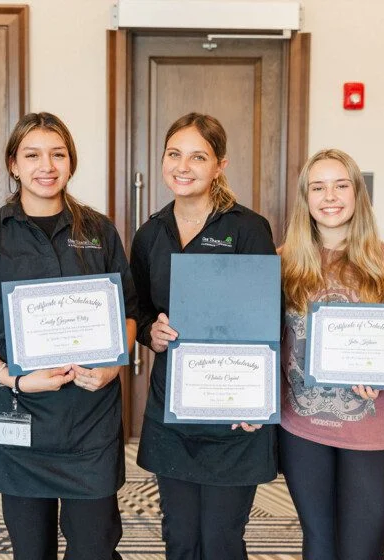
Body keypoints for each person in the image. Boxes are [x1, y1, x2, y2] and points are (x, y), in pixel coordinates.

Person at [0, 111, 137, 560]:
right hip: (21, 411)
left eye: (58, 154)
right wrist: (11, 379)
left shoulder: (99, 230)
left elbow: (129, 314)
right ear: (13, 163)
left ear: (71, 163)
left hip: (91, 417)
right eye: (32, 155)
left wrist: (114, 364)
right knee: (30, 550)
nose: (46, 166)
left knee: (96, 545)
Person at [130, 112, 277, 560]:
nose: (183, 166)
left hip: (234, 411)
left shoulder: (249, 229)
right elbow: (137, 309)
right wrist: (150, 332)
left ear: (220, 165)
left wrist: (259, 400)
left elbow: (268, 318)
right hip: (173, 408)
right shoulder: (149, 233)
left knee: (221, 540)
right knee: (179, 537)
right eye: (174, 154)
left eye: (198, 156)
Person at [278, 149, 384, 560]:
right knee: (318, 544)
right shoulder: (282, 262)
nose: (329, 196)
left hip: (371, 430)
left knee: (362, 550)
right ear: (305, 198)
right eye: (318, 187)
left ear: (358, 194)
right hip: (302, 427)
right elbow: (265, 341)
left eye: (341, 185)